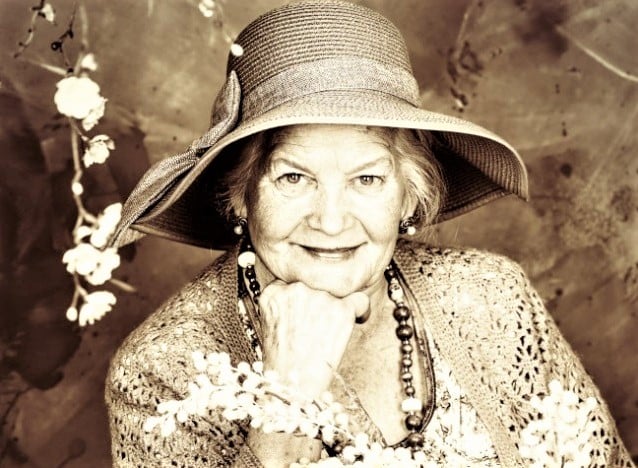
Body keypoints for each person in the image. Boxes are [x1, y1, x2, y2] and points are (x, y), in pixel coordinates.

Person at [104, 1, 634, 466]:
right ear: (242, 194)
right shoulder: (160, 373)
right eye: (294, 178)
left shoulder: (492, 297)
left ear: (408, 195)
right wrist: (285, 402)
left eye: (367, 179)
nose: (332, 221)